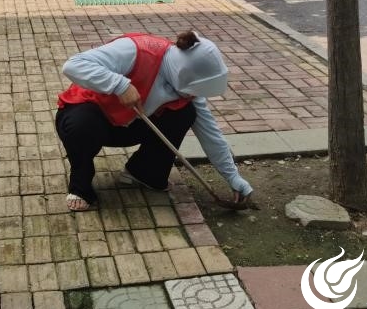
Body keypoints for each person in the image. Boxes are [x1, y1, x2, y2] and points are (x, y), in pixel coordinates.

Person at [56, 29, 253, 212]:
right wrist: (119, 85)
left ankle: (144, 173)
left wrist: (233, 176)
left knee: (186, 113)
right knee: (80, 124)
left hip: (131, 124)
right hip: (91, 119)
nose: (192, 95)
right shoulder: (136, 49)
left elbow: (210, 133)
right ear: (184, 73)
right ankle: (80, 186)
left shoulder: (188, 88)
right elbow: (73, 65)